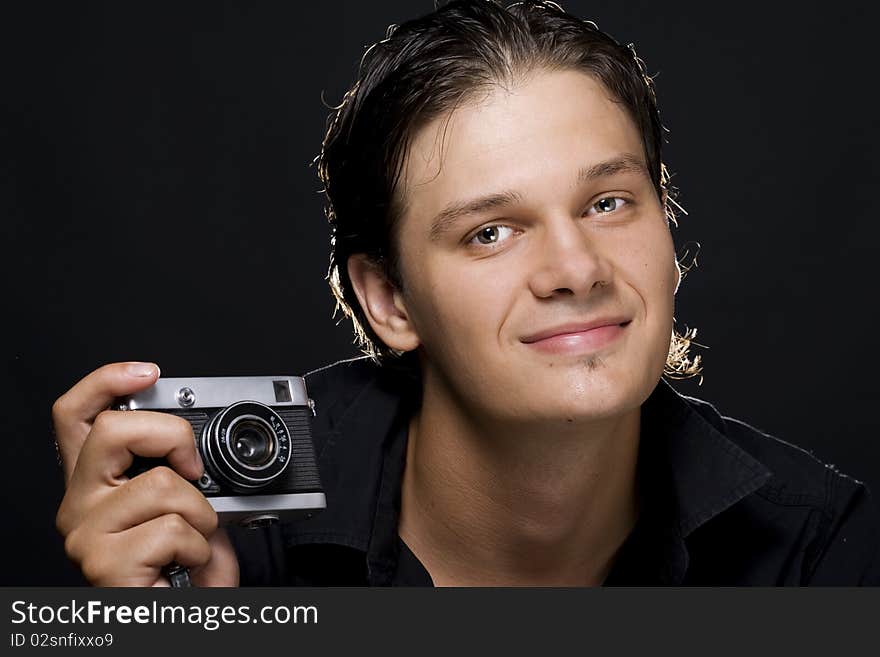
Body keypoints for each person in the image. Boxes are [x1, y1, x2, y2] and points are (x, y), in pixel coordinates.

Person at [52, 0, 879, 586]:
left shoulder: (818, 545)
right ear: (390, 302)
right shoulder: (233, 546)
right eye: (490, 231)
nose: (577, 268)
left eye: (607, 203)